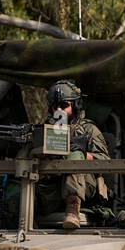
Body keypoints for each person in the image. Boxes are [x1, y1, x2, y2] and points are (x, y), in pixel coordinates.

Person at [43, 80, 109, 229]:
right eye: (55, 106)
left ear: (75, 105)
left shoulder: (89, 129)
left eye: (64, 105)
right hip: (52, 185)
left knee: (75, 156)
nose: (59, 110)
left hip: (85, 186)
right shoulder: (46, 129)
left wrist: (84, 154)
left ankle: (73, 209)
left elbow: (105, 160)